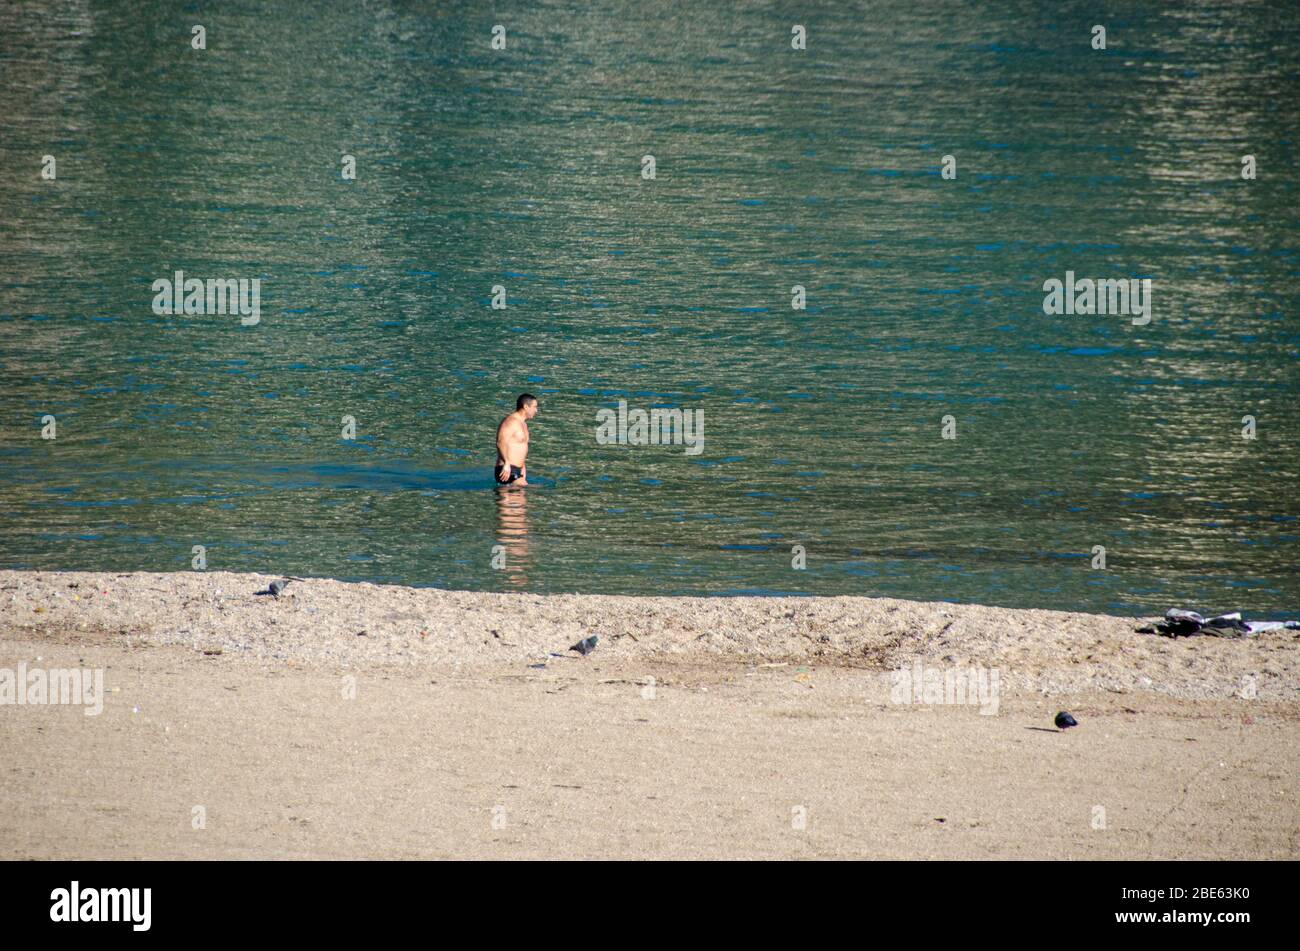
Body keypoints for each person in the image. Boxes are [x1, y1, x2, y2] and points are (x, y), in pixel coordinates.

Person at [495, 393, 537, 486]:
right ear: (526, 406)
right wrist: (506, 463)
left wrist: (523, 467)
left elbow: (521, 446)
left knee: (517, 499)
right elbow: (500, 442)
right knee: (533, 490)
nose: (536, 410)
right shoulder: (510, 422)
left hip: (517, 470)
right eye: (534, 407)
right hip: (507, 469)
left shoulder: (523, 424)